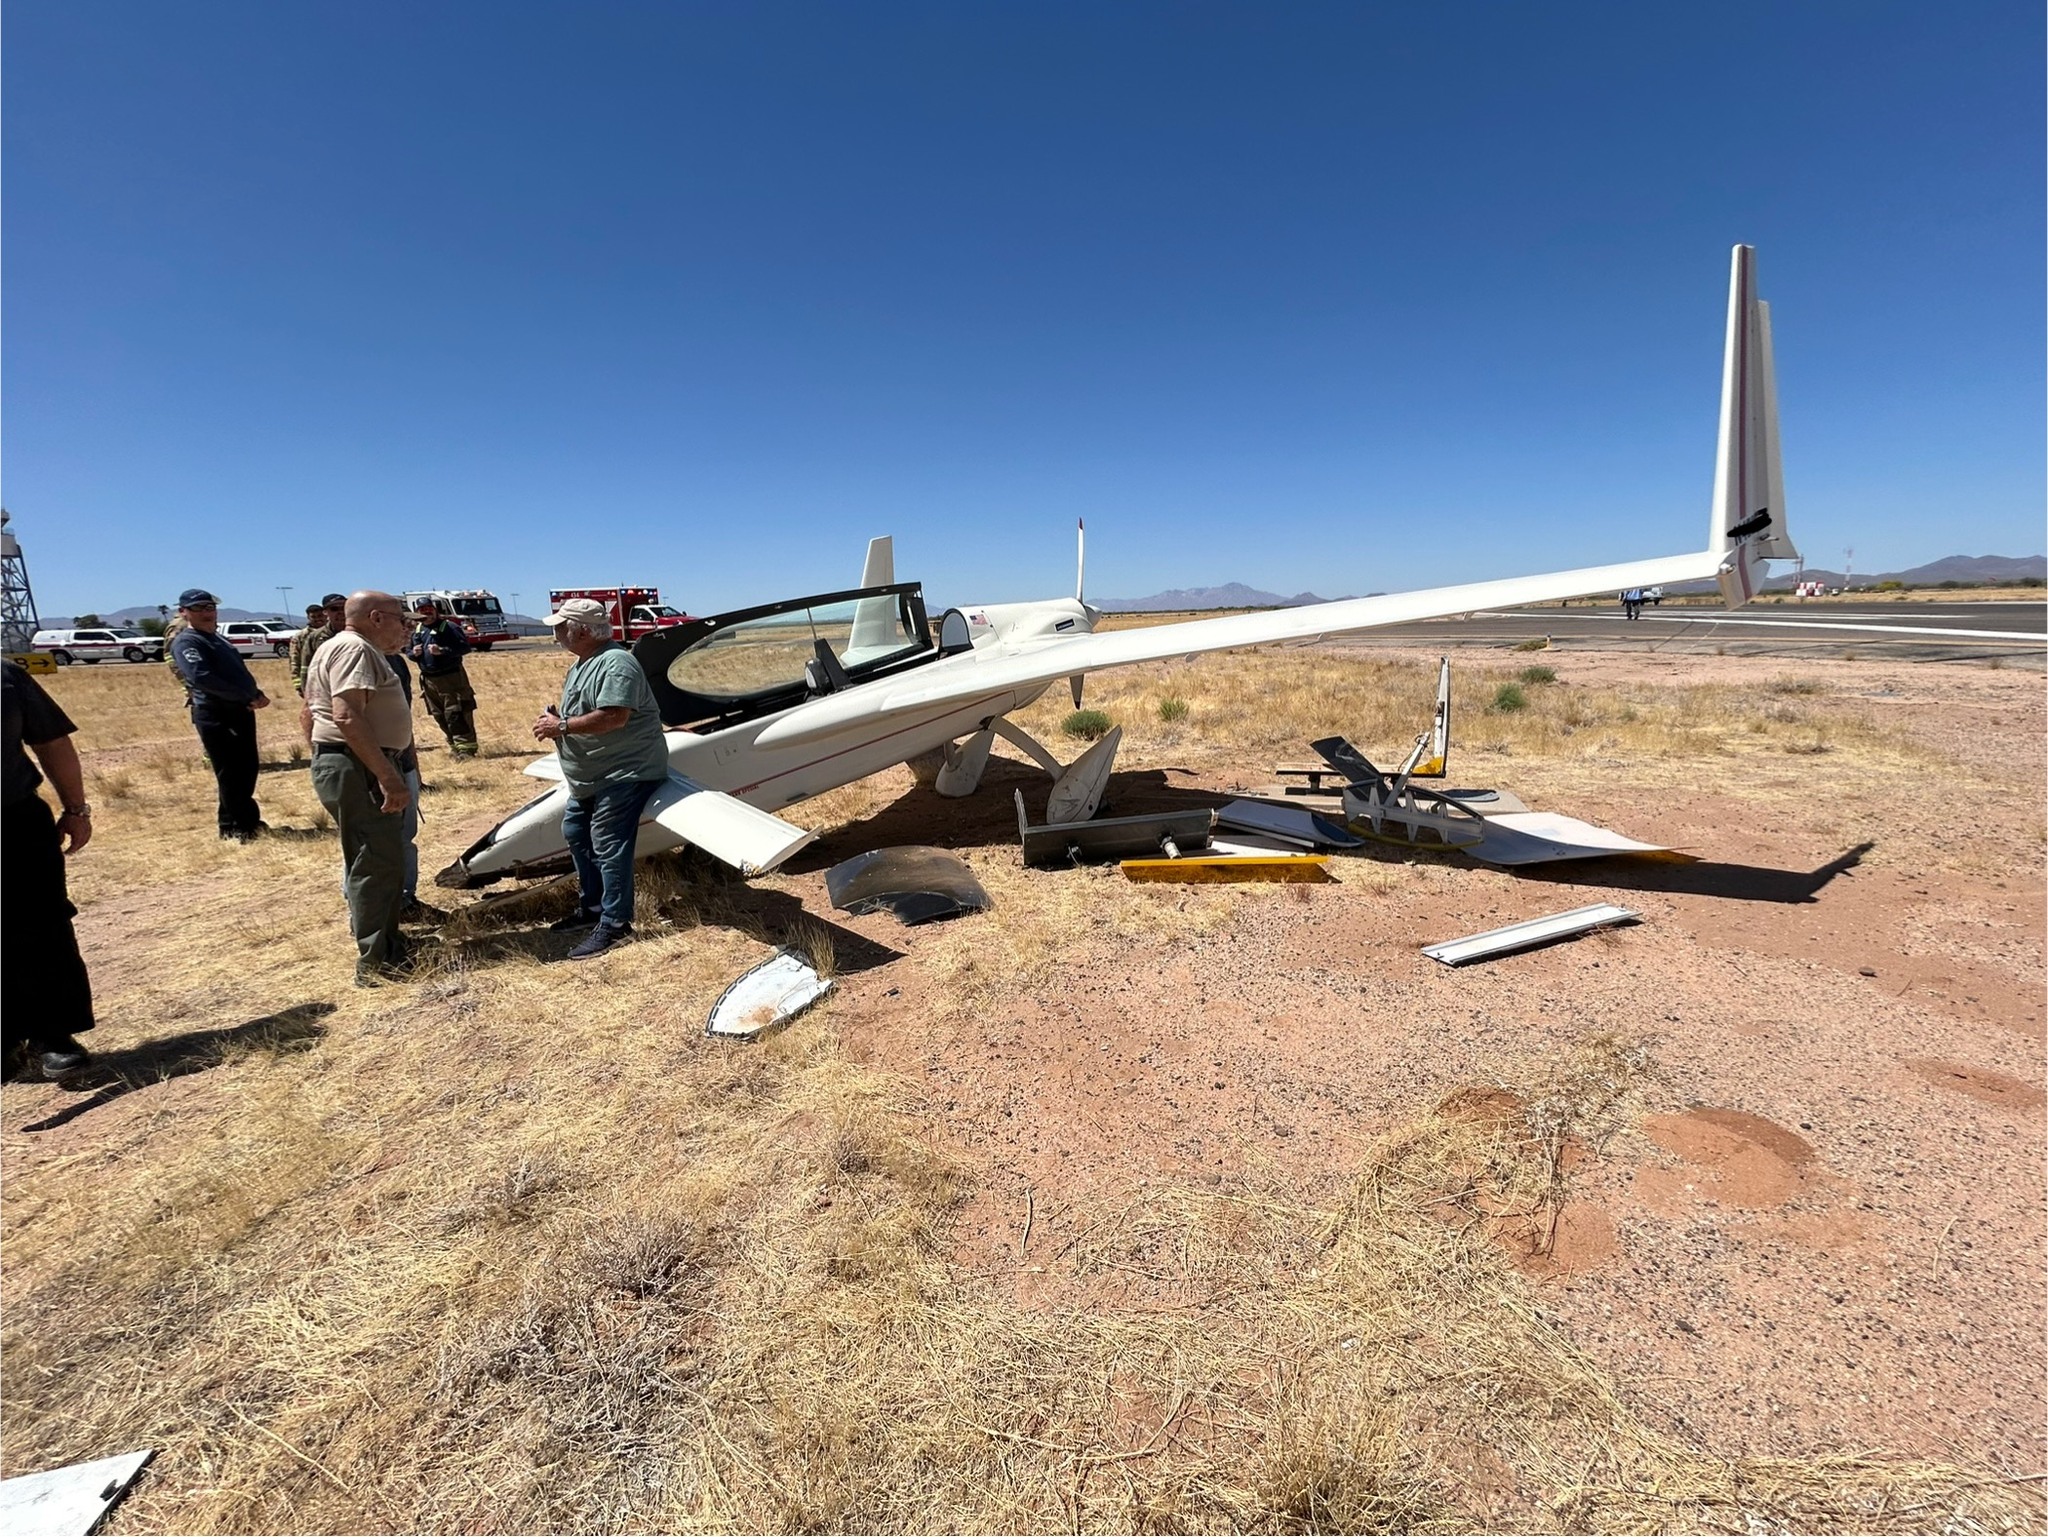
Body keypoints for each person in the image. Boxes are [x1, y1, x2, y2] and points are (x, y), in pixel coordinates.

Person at [531, 597, 669, 960]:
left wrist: (561, 726)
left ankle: (616, 923)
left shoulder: (616, 663)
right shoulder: (584, 663)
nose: (557, 634)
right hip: (593, 776)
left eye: (561, 627)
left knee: (608, 840)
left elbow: (614, 717)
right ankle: (592, 908)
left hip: (624, 772)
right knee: (576, 832)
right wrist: (561, 719)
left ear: (582, 632)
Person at [305, 591, 418, 985]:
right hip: (361, 767)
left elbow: (313, 713)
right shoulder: (355, 649)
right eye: (400, 618)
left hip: (354, 764)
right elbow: (347, 716)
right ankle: (378, 962)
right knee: (374, 863)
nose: (404, 627)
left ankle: (388, 944)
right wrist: (387, 776)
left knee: (381, 860)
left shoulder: (342, 647)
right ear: (376, 617)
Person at [3, 660, 98, 1079]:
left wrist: (76, 809)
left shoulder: (6, 677)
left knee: (41, 926)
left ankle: (51, 1034)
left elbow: (52, 741)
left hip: (14, 820)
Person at [168, 588, 270, 840]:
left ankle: (234, 823)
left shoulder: (217, 639)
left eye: (210, 607)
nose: (206, 612)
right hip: (217, 714)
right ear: (183, 612)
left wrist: (255, 693)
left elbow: (236, 672)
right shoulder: (187, 642)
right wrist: (245, 696)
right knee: (232, 773)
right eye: (198, 608)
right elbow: (201, 677)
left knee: (245, 769)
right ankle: (242, 826)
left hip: (240, 711)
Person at [405, 598, 479, 756]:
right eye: (422, 610)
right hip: (429, 681)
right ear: (417, 613)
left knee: (456, 713)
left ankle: (466, 750)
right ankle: (455, 746)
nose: (427, 613)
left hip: (451, 679)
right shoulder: (417, 630)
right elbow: (408, 651)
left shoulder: (449, 627)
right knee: (439, 715)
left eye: (429, 609)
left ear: (435, 610)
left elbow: (464, 647)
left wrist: (443, 651)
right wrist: (413, 654)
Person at [287, 600, 330, 696]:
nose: (317, 619)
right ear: (308, 618)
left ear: (325, 615)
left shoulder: (333, 632)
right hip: (312, 678)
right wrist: (299, 685)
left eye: (320, 616)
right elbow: (294, 660)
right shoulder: (300, 636)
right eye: (313, 617)